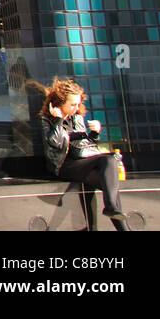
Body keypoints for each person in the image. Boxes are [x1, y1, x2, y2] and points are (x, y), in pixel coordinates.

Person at [39, 78, 127, 229]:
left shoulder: (77, 117)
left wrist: (94, 133)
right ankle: (111, 208)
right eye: (72, 104)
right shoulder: (47, 119)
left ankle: (109, 214)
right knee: (107, 161)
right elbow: (55, 143)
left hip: (82, 162)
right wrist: (59, 120)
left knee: (108, 182)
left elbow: (85, 145)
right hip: (64, 165)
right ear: (60, 103)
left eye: (77, 104)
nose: (75, 108)